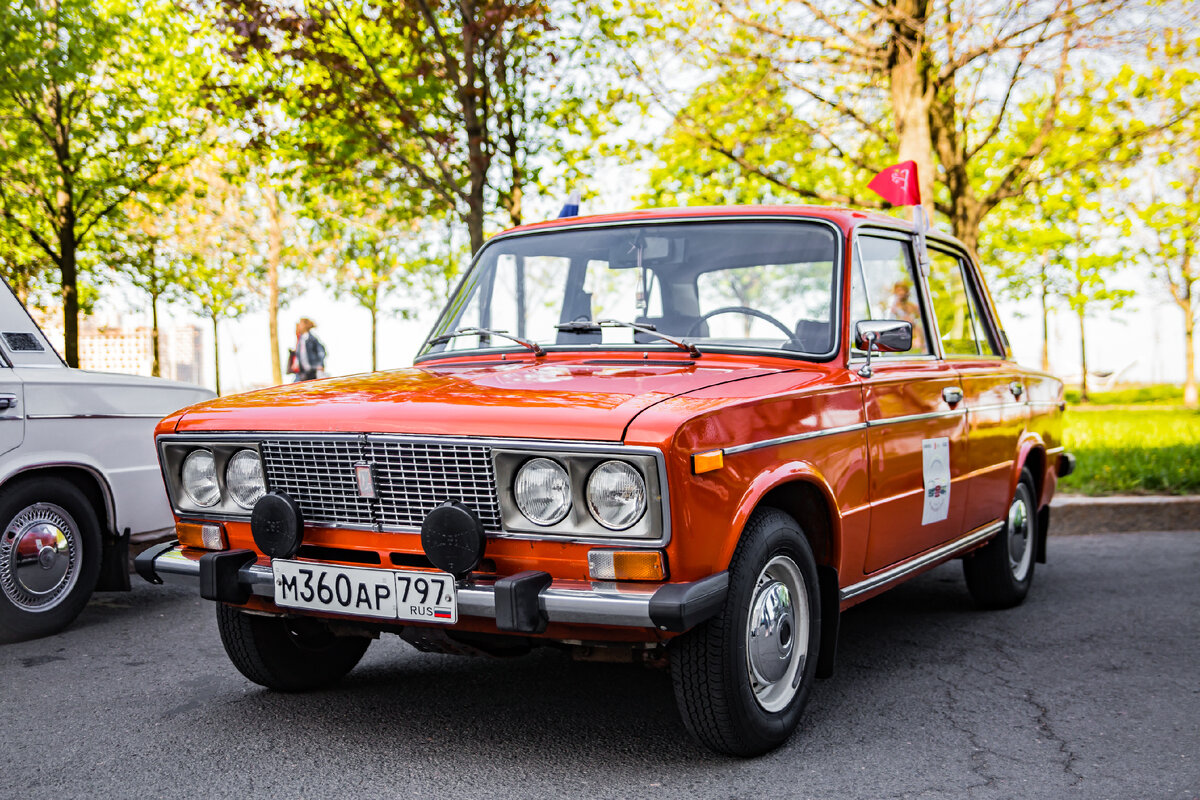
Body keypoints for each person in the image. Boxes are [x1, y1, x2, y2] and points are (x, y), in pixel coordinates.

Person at [287, 318, 326, 382]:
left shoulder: (312, 339)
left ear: (304, 326)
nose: (299, 326)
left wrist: (319, 364)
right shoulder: (300, 339)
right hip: (302, 371)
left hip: (312, 370)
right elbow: (300, 354)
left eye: (300, 324)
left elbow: (321, 352)